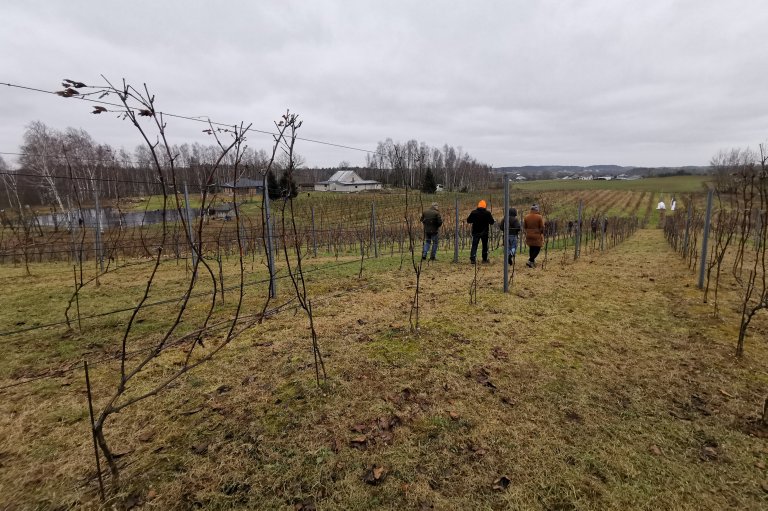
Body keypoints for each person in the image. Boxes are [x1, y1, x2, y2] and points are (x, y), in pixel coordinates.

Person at [467, 200, 495, 264]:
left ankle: (473, 257)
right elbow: (492, 222)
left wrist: (474, 220)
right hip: (484, 232)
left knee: (474, 245)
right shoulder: (487, 213)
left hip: (475, 232)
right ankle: (484, 259)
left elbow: (468, 221)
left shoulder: (473, 213)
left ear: (478, 206)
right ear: (485, 206)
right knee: (484, 245)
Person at [523, 204, 545, 268]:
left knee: (532, 248)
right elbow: (542, 227)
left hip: (529, 235)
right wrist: (541, 233)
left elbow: (524, 226)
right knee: (538, 248)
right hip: (536, 234)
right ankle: (530, 260)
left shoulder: (526, 217)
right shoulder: (539, 217)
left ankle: (531, 263)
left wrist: (528, 232)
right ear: (536, 210)